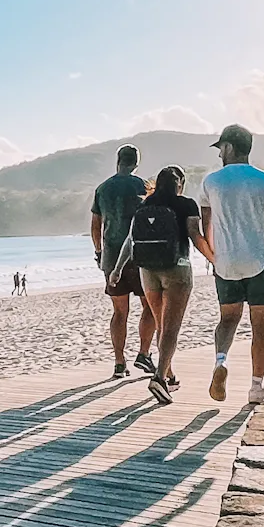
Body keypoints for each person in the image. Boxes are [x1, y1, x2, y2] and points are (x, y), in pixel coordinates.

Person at [200, 124, 264, 406]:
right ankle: (256, 387)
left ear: (229, 147)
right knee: (260, 324)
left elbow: (205, 223)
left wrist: (213, 256)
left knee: (228, 319)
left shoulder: (211, 182)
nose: (219, 154)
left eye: (220, 148)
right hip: (258, 260)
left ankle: (221, 361)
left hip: (226, 262)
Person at [109, 165, 215, 405]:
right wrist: (214, 259)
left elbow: (131, 240)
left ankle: (169, 373)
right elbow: (194, 235)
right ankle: (159, 377)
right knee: (171, 328)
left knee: (160, 324)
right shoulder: (186, 204)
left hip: (148, 272)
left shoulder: (144, 206)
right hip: (177, 268)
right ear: (180, 184)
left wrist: (117, 270)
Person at [90, 144, 157, 378]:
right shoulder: (144, 187)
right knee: (149, 306)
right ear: (136, 163)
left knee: (120, 312)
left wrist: (99, 252)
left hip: (111, 256)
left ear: (118, 161)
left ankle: (120, 362)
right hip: (140, 256)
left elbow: (96, 225)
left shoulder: (103, 188)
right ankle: (144, 353)